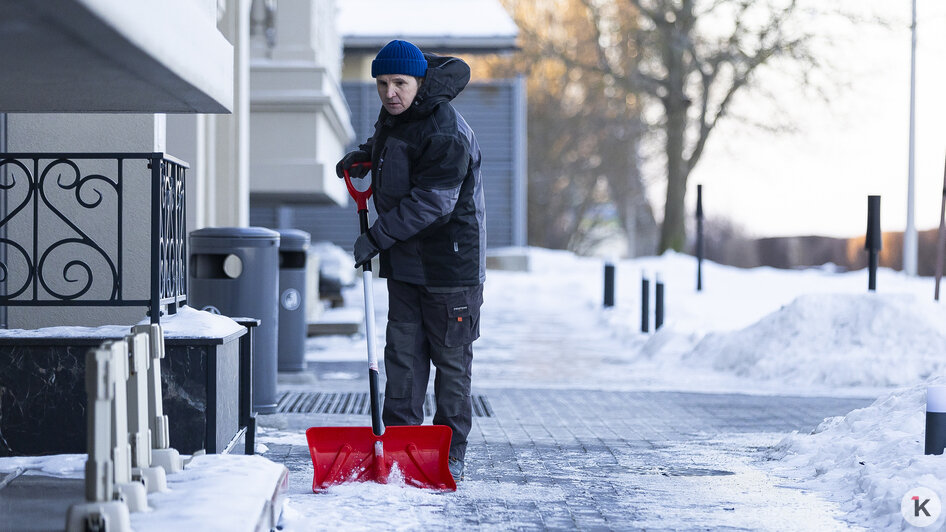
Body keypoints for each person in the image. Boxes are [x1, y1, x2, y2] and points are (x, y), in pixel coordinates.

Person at [335, 39, 486, 483]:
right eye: (382, 84)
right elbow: (395, 145)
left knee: (450, 363)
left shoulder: (445, 131)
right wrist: (366, 156)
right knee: (402, 359)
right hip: (406, 265)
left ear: (419, 82)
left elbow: (432, 203)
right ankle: (399, 447)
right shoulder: (397, 115)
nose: (389, 93)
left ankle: (450, 451)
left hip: (449, 270)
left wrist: (375, 239)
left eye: (398, 83)